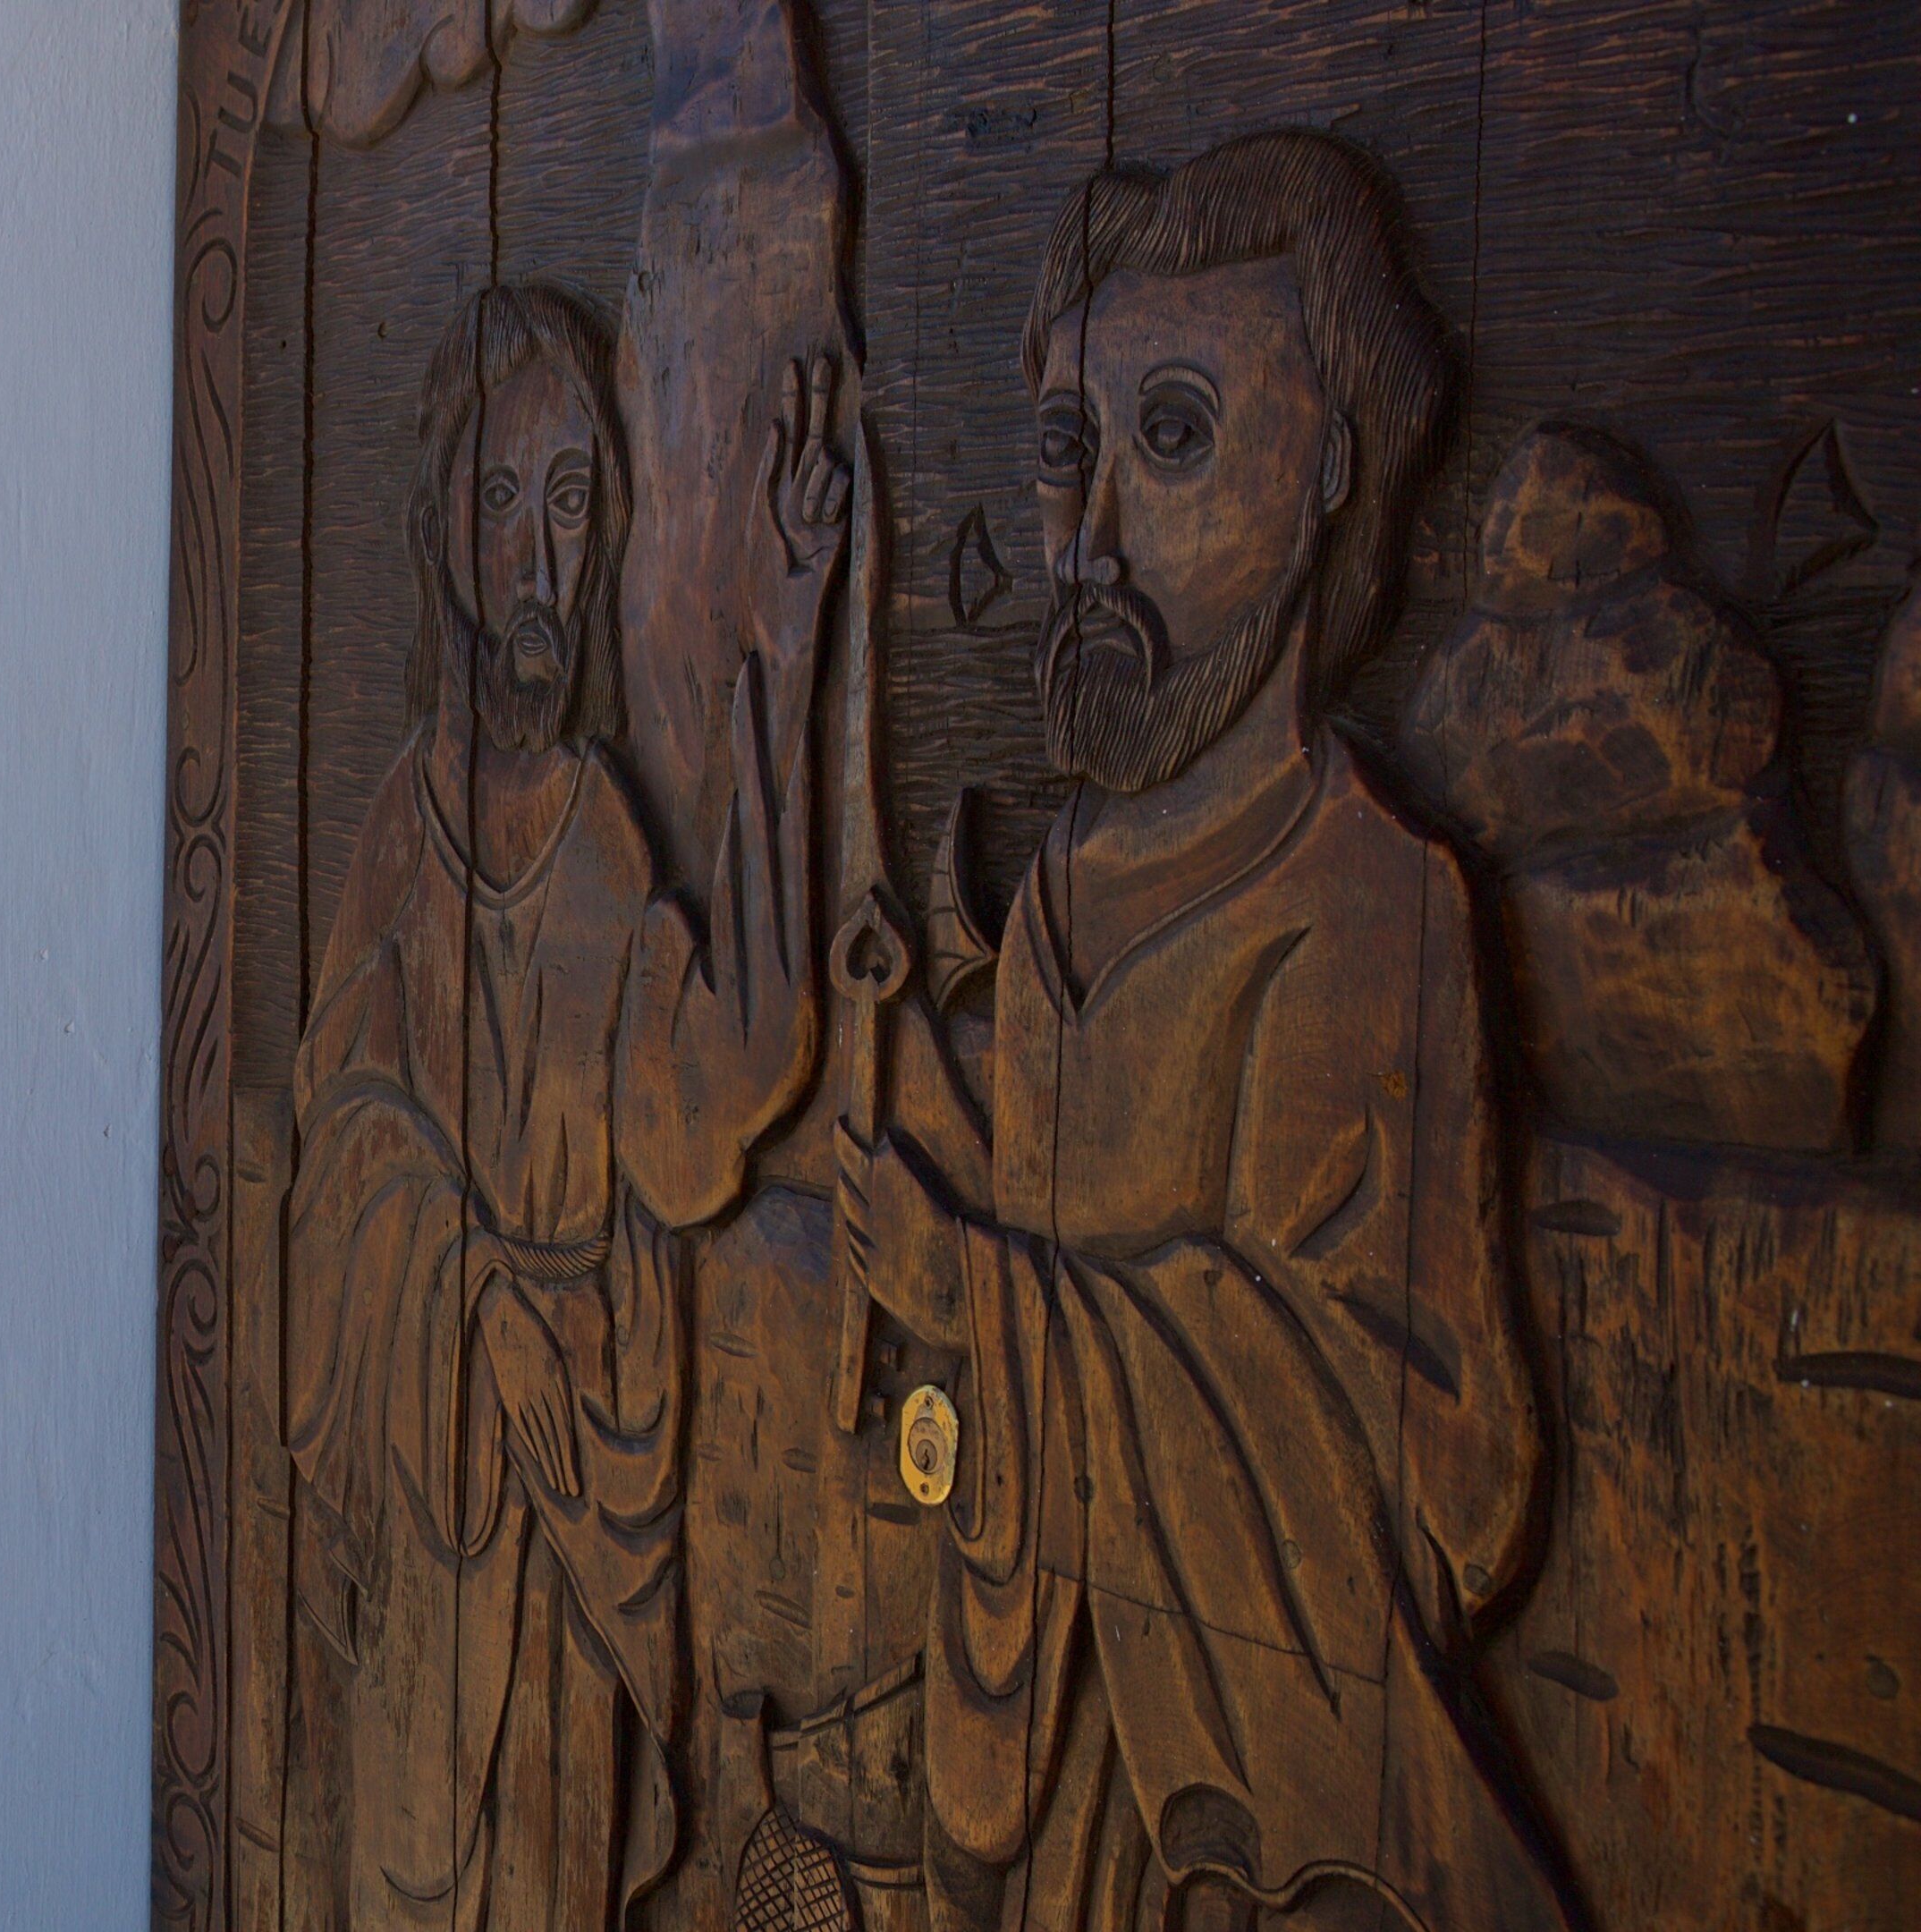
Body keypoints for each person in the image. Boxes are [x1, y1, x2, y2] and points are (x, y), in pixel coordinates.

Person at [834, 131, 1580, 1930]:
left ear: (1329, 467)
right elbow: (1054, 1233)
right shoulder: (1062, 915)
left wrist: (980, 1300)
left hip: (1258, 1842)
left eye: (1173, 440)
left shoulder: (1372, 903)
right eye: (1068, 453)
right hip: (1054, 1798)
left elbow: (1451, 1477)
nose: (1088, 537)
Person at [282, 280, 844, 1930]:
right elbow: (341, 1154)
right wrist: (473, 1299)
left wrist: (792, 655)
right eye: (505, 502)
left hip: (571, 1518)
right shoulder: (397, 836)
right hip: (434, 1471)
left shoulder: (602, 831)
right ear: (442, 531)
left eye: (576, 501)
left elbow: (703, 1119)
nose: (543, 555)